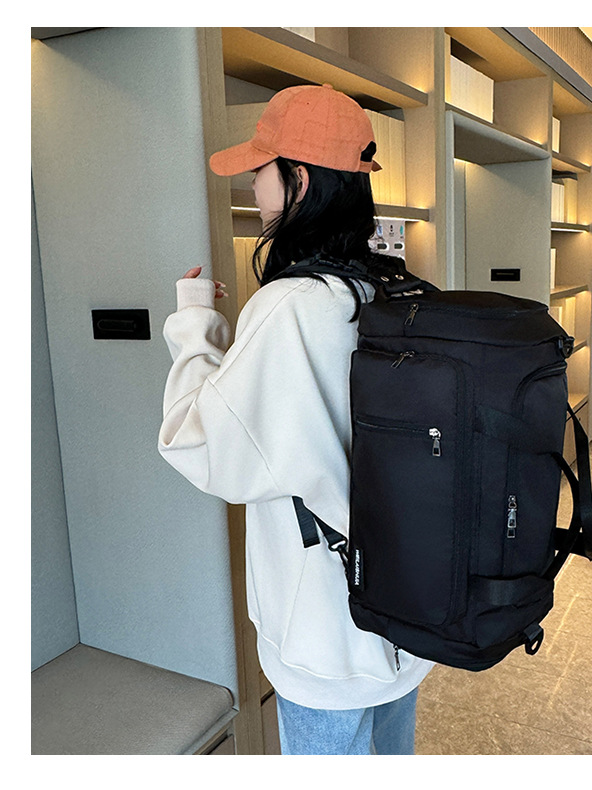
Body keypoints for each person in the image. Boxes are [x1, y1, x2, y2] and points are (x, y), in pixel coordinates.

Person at [157, 83, 433, 755]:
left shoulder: (290, 306)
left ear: (299, 179)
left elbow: (200, 445)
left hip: (326, 632)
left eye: (261, 167)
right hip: (404, 609)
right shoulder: (390, 287)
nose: (252, 184)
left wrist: (193, 327)